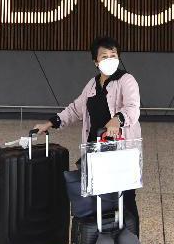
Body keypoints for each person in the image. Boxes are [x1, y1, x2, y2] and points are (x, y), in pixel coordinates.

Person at [33, 36, 143, 226]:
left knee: (125, 199)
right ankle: (101, 237)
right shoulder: (92, 84)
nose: (110, 59)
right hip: (96, 150)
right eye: (104, 56)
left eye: (113, 55)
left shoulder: (126, 80)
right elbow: (75, 109)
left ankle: (130, 238)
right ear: (96, 62)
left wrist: (117, 119)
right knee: (100, 199)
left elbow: (133, 107)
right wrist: (50, 123)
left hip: (121, 152)